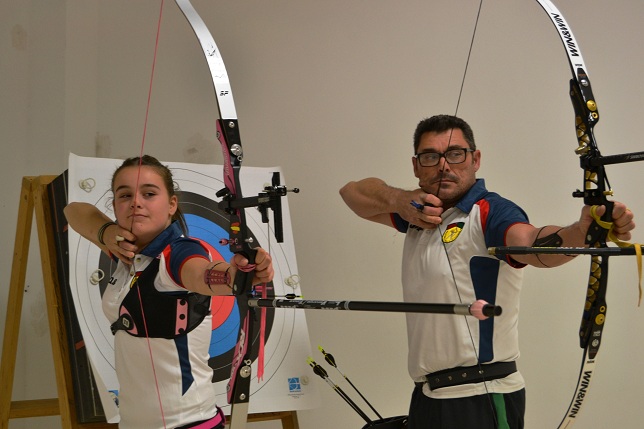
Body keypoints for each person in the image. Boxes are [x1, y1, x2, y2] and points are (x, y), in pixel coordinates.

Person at [339, 115, 635, 429]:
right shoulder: (419, 214)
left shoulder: (491, 212)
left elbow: (532, 244)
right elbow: (351, 193)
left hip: (482, 397)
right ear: (416, 166)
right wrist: (401, 201)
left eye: (456, 153)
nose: (444, 165)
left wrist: (580, 232)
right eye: (430, 156)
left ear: (475, 159)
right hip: (429, 395)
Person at [64, 155, 274, 429]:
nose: (136, 202)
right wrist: (106, 232)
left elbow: (203, 274)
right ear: (114, 206)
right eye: (124, 195)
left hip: (188, 423)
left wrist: (240, 274)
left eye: (149, 193)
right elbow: (73, 210)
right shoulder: (125, 252)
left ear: (172, 204)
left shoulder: (179, 253)